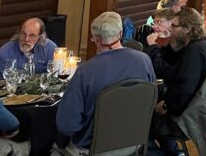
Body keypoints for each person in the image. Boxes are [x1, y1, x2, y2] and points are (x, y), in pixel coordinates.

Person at [56, 12, 154, 154]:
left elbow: (67, 125)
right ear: (120, 34)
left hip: (91, 148)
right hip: (134, 144)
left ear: (96, 38)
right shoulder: (144, 60)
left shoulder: (86, 71)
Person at [151, 9, 206, 155]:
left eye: (174, 26)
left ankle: (169, 153)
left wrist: (167, 105)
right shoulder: (202, 44)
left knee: (144, 119)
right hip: (201, 107)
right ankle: (173, 152)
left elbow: (185, 87)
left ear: (187, 29)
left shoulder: (194, 51)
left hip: (189, 114)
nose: (170, 29)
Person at [145, 9, 177, 80]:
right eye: (154, 23)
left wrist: (152, 46)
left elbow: (162, 69)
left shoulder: (177, 43)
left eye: (159, 22)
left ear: (172, 22)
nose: (154, 27)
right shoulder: (152, 38)